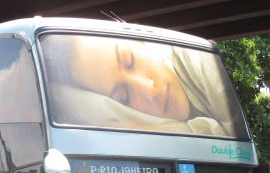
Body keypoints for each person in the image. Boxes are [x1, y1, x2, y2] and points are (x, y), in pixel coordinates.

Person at [42, 34, 240, 137]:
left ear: (141, 41)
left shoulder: (196, 59)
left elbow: (235, 151)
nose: (149, 89)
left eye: (130, 61)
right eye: (124, 97)